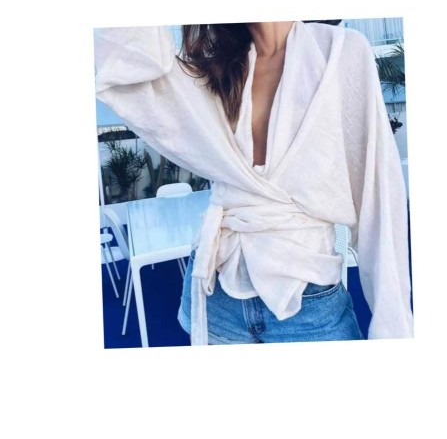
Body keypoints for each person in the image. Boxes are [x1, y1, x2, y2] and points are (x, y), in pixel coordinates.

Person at [94, 20, 414, 345]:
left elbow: (379, 198)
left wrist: (394, 328)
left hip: (307, 304)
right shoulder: (214, 69)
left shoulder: (341, 52)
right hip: (218, 298)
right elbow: (133, 70)